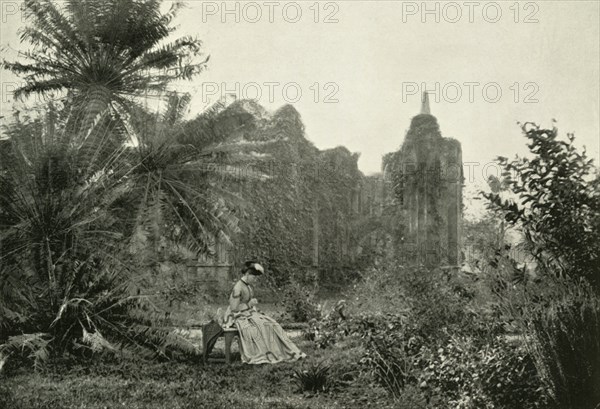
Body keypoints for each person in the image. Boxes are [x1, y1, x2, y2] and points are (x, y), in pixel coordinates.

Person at [222, 261, 306, 364]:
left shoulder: (247, 286)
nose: (255, 280)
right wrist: (249, 304)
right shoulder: (238, 287)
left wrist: (252, 307)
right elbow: (233, 307)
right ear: (247, 274)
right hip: (236, 316)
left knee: (272, 324)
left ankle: (280, 352)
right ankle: (264, 353)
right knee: (260, 326)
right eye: (254, 277)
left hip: (247, 313)